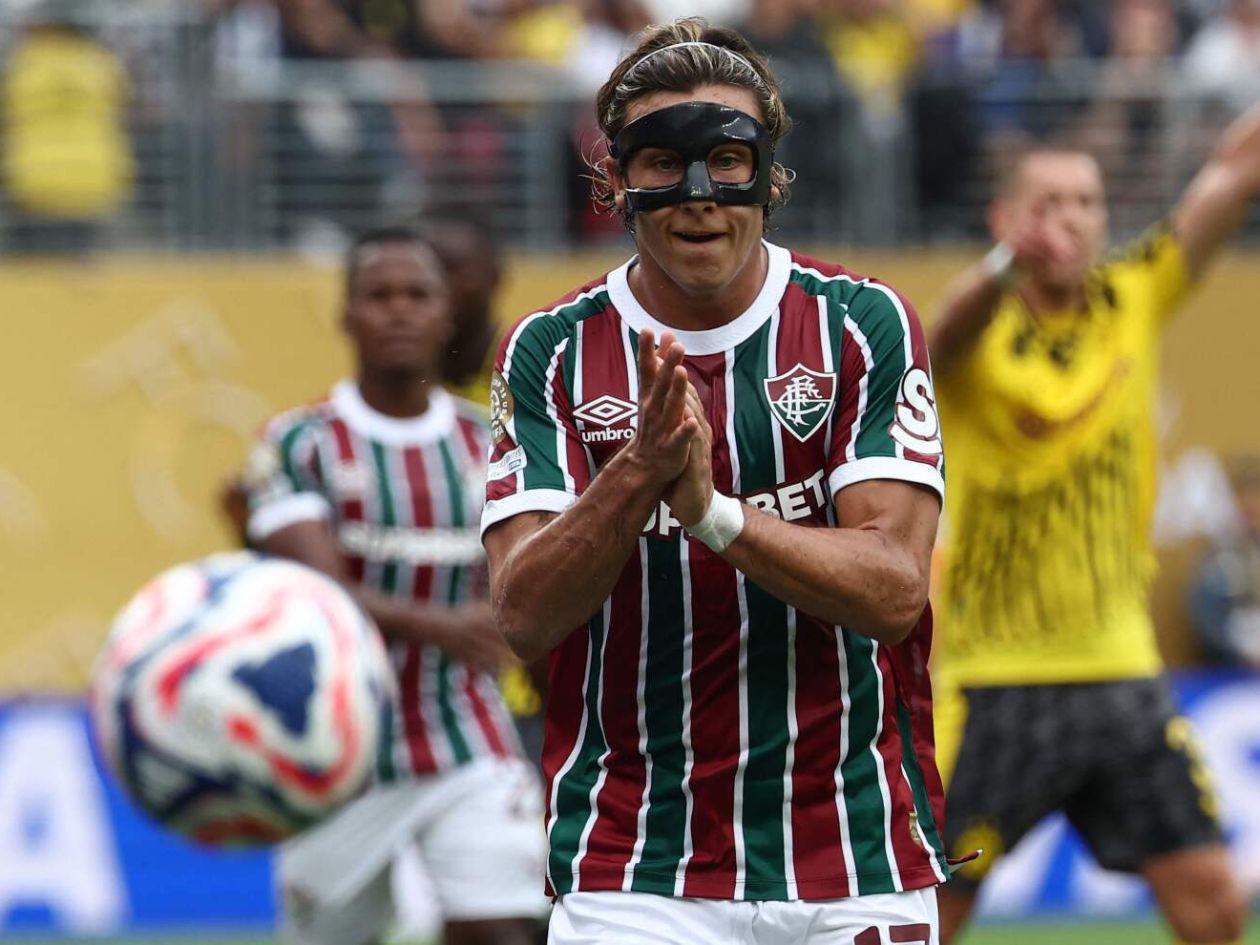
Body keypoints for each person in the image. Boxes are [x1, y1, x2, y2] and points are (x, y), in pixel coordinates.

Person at [483, 19, 952, 944]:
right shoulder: (550, 351)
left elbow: (896, 591)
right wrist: (639, 474)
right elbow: (523, 614)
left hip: (854, 845)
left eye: (727, 160)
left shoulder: (862, 326)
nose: (698, 196)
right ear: (615, 181)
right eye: (664, 162)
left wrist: (711, 513)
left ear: (770, 176)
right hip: (635, 859)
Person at [928, 103, 1260, 944]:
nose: (1070, 218)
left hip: (1120, 672)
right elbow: (938, 341)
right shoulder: (981, 322)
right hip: (996, 683)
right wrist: (1005, 267)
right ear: (1003, 218)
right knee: (927, 913)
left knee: (1215, 905)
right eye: (1047, 202)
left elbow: (1232, 170)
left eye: (1085, 201)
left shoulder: (1133, 293)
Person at [242, 227, 547, 945]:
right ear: (347, 315)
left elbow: (527, 576)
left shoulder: (489, 444)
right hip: (338, 755)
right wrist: (447, 625)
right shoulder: (299, 442)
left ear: (447, 314)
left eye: (419, 294)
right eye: (379, 295)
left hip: (466, 737)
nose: (400, 310)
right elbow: (317, 589)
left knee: (502, 927)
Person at [1188, 455, 1260, 670]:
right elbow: (1205, 612)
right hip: (1233, 668)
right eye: (1246, 505)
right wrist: (1240, 652)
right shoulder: (1222, 554)